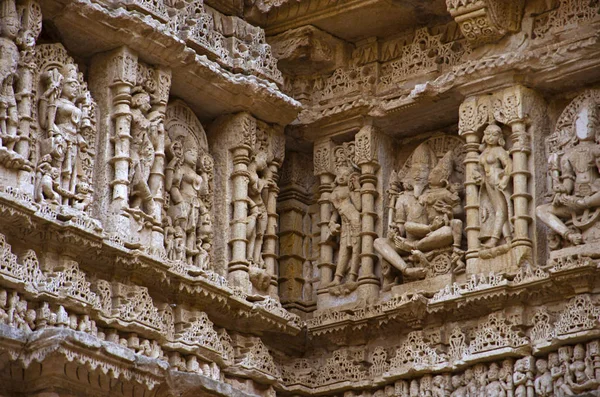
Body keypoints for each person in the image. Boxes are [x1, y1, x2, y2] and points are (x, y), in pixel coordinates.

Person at [475, 124, 513, 248]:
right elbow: (480, 169)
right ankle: (507, 239)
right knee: (498, 210)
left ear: (500, 137)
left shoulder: (499, 150)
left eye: (494, 135)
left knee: (501, 210)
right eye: (488, 134)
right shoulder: (484, 151)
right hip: (487, 182)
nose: (490, 137)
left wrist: (505, 180)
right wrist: (478, 176)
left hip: (497, 179)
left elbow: (509, 165)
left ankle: (494, 240)